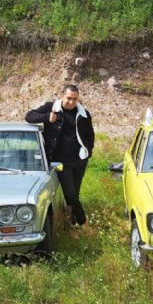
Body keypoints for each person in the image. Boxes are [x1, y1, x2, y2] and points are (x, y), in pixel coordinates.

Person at [25, 84, 94, 226]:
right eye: (69, 98)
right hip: (61, 162)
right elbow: (29, 116)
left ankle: (72, 221)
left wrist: (88, 153)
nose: (71, 102)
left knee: (75, 194)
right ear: (62, 95)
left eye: (75, 99)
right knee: (70, 194)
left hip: (79, 159)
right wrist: (46, 117)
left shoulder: (84, 113)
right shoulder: (51, 107)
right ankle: (83, 222)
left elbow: (90, 136)